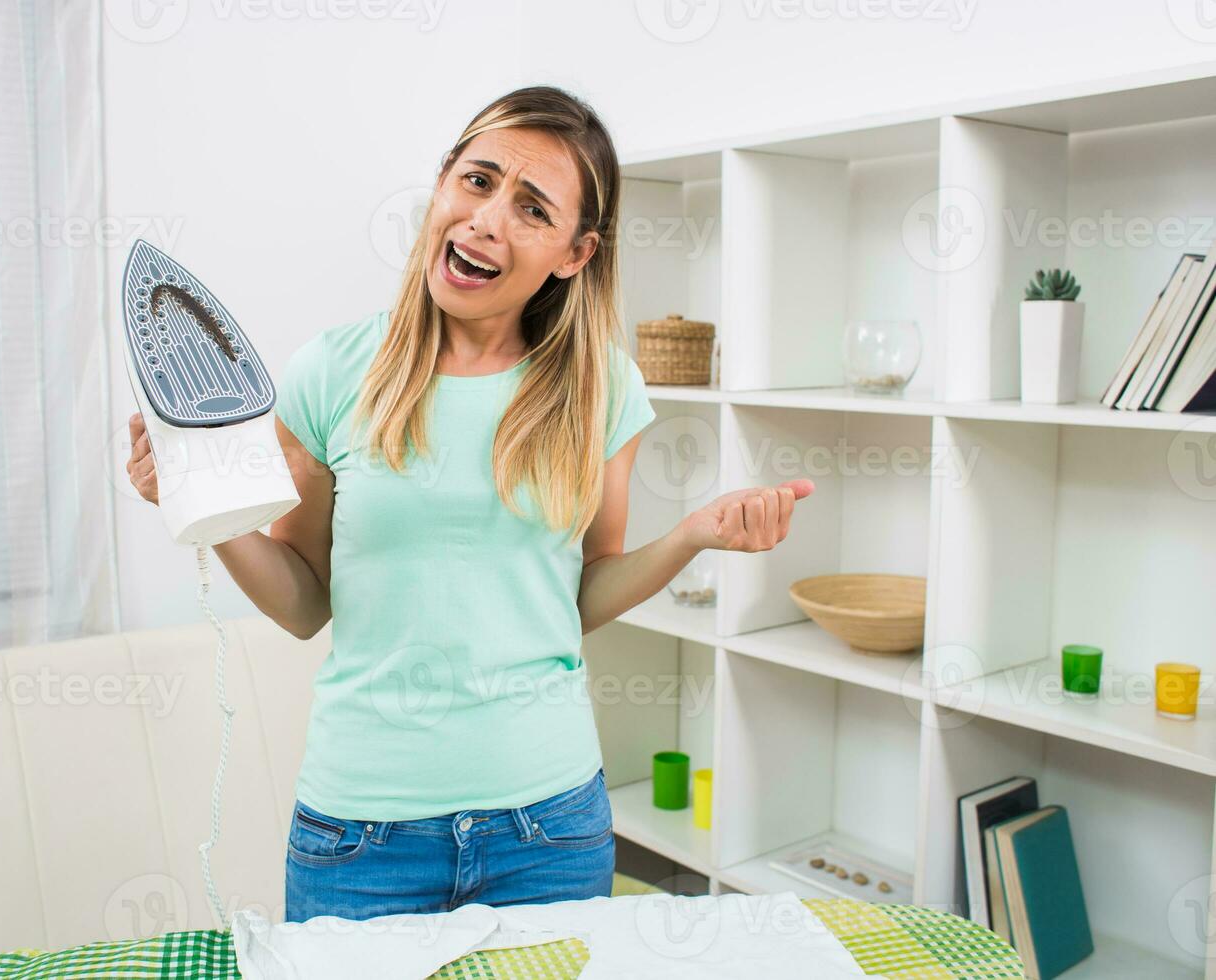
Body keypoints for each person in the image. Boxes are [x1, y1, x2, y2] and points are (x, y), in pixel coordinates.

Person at [125, 84, 813, 923]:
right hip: (360, 835)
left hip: (550, 826)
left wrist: (693, 537)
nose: (488, 219)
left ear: (575, 252)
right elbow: (306, 603)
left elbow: (580, 598)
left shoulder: (604, 390)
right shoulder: (330, 375)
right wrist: (207, 508)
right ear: (445, 181)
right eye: (479, 181)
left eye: (532, 208)